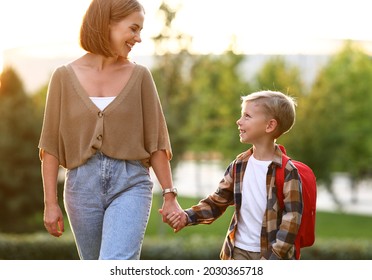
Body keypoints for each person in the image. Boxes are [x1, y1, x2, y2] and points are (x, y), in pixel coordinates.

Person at [39, 0, 182, 260]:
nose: (138, 38)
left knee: (115, 265)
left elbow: (156, 141)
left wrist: (170, 194)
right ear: (107, 24)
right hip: (81, 187)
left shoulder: (140, 76)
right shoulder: (63, 77)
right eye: (133, 29)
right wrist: (50, 203)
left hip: (131, 183)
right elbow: (50, 147)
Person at [163, 90, 303, 260]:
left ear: (269, 126)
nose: (239, 121)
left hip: (270, 254)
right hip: (236, 251)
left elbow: (292, 219)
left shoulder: (288, 171)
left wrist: (274, 257)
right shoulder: (240, 165)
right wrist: (186, 217)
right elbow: (217, 202)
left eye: (247, 116)